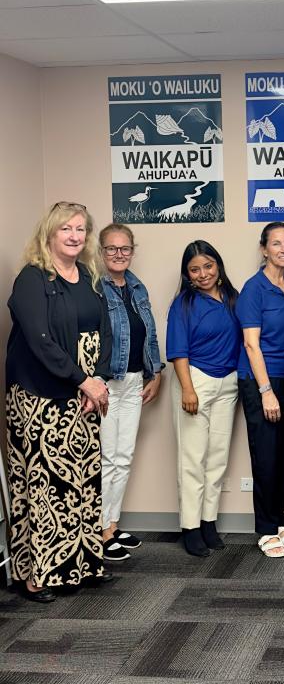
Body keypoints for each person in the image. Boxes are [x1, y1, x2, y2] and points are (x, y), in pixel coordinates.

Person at [5, 202, 112, 602]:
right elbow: (40, 340)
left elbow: (104, 329)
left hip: (85, 396)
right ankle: (37, 576)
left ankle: (80, 565)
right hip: (41, 396)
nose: (74, 235)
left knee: (82, 481)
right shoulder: (32, 279)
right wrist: (82, 380)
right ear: (48, 233)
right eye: (66, 228)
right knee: (46, 486)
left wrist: (97, 380)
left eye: (80, 229)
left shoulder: (87, 275)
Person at [236, 222, 284, 558]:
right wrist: (266, 390)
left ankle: (279, 520)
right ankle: (265, 528)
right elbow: (252, 345)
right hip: (263, 380)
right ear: (264, 249)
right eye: (276, 244)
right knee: (266, 454)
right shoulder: (254, 289)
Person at [166, 240, 241, 557]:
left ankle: (209, 522)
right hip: (195, 381)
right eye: (194, 269)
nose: (203, 273)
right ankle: (190, 528)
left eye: (208, 266)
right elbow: (178, 350)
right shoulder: (183, 304)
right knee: (193, 460)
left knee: (217, 459)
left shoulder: (232, 299)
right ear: (187, 274)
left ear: (218, 265)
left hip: (228, 383)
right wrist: (187, 388)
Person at [99, 223, 164, 562]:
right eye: (112, 249)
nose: (119, 254)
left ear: (132, 251)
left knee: (123, 458)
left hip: (136, 380)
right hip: (108, 383)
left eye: (125, 248)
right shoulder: (96, 289)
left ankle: (112, 522)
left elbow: (148, 335)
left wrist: (156, 374)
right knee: (107, 458)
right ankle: (100, 531)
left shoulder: (137, 287)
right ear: (101, 252)